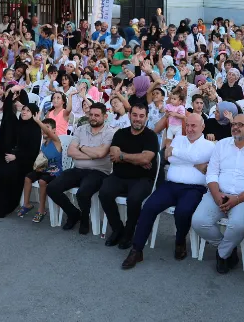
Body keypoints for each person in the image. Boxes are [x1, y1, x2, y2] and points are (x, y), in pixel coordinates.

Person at [123, 112, 215, 268]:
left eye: (194, 125)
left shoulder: (209, 145)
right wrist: (192, 161)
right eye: (188, 125)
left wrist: (177, 153)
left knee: (183, 211)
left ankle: (180, 241)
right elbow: (170, 158)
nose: (191, 129)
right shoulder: (179, 139)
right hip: (171, 184)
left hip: (194, 188)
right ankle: (136, 250)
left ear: (203, 127)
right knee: (148, 207)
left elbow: (196, 157)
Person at [192, 112, 244, 274]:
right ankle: (229, 248)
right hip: (218, 193)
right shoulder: (221, 145)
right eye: (233, 124)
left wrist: (236, 199)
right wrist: (216, 195)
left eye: (240, 125)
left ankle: (222, 254)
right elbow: (212, 173)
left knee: (238, 226)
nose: (235, 127)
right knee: (199, 222)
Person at [47, 103, 115, 234]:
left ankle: (84, 219)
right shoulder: (81, 129)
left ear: (105, 116)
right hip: (78, 169)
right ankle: (73, 213)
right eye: (91, 114)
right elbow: (71, 152)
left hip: (99, 172)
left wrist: (82, 148)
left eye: (97, 115)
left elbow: (101, 154)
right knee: (52, 188)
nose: (93, 117)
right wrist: (93, 155)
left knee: (83, 193)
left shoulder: (110, 133)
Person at [99, 103, 160, 249]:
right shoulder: (120, 133)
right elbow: (114, 155)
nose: (137, 119)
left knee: (134, 199)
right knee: (104, 193)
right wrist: (137, 159)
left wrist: (123, 156)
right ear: (129, 115)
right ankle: (117, 229)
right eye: (134, 115)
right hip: (119, 176)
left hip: (142, 179)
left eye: (141, 116)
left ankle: (129, 231)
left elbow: (146, 159)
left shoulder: (151, 136)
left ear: (146, 118)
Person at [0, 90, 42, 217]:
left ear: (34, 114)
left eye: (28, 110)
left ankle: (2, 207)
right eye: (23, 110)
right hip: (11, 156)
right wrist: (10, 94)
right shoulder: (17, 124)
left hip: (25, 161)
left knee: (6, 173)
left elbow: (33, 152)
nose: (24, 112)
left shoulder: (35, 130)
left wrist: (16, 157)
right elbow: (8, 111)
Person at [18, 115, 63, 223]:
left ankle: (41, 210)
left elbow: (49, 132)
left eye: (46, 127)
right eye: (43, 127)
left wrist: (38, 121)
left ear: (53, 130)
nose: (43, 129)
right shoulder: (44, 144)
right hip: (43, 169)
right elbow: (41, 158)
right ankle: (27, 205)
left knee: (42, 181)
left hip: (54, 171)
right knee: (28, 178)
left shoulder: (56, 141)